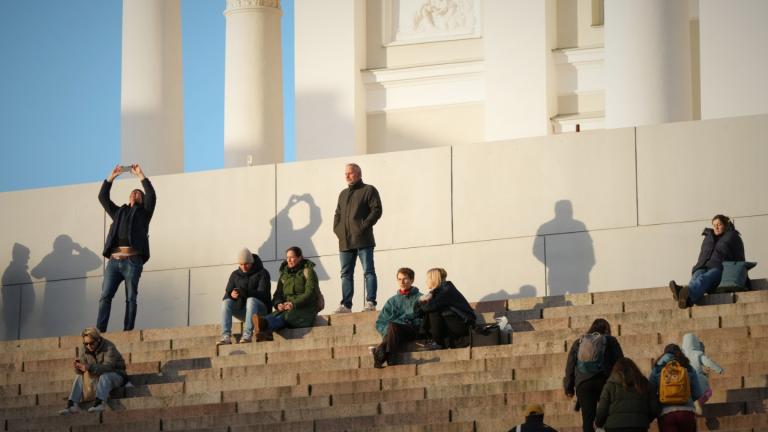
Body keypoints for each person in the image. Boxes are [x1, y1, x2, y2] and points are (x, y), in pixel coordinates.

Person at [96, 164, 157, 332]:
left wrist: (140, 175)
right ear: (129, 197)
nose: (136, 193)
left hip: (132, 261)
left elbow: (151, 195)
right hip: (114, 262)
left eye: (139, 193)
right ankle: (100, 330)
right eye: (134, 192)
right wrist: (112, 177)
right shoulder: (119, 212)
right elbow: (103, 198)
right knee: (105, 297)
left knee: (131, 298)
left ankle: (128, 331)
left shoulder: (144, 214)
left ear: (141, 200)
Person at [333, 163, 383, 313]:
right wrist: (338, 231)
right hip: (345, 242)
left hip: (363, 240)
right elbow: (338, 214)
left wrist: (363, 226)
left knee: (368, 271)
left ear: (359, 174)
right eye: (345, 174)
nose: (347, 176)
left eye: (350, 173)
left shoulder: (369, 190)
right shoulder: (342, 194)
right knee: (345, 274)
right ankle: (346, 305)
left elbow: (377, 210)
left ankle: (370, 302)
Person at [670, 214, 745, 309]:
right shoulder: (708, 237)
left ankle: (682, 293)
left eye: (719, 224)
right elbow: (702, 254)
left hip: (719, 268)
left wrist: (743, 276)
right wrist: (698, 266)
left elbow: (740, 257)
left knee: (703, 279)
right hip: (702, 266)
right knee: (696, 277)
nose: (716, 227)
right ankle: (686, 298)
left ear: (725, 225)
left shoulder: (733, 237)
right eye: (714, 225)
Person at [564, 318, 624, 432]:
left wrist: (569, 387)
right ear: (607, 329)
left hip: (583, 383)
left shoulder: (579, 342)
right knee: (608, 416)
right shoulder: (610, 340)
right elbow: (621, 362)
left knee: (587, 419)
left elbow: (570, 365)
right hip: (605, 381)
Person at [254, 246, 319, 339]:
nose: (289, 260)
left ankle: (264, 327)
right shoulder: (284, 274)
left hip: (305, 309)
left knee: (285, 317)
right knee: (275, 315)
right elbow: (278, 294)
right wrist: (278, 304)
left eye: (292, 257)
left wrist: (293, 304)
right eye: (287, 257)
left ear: (300, 257)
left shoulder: (308, 271)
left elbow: (310, 293)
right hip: (287, 307)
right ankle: (265, 330)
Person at [58, 328, 127, 415]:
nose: (88, 346)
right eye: (86, 343)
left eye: (91, 343)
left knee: (105, 376)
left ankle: (100, 403)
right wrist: (78, 367)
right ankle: (72, 404)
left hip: (117, 375)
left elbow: (109, 367)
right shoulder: (84, 348)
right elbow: (82, 370)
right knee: (79, 376)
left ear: (98, 340)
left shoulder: (109, 347)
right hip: (97, 375)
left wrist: (89, 367)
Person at [217, 248, 271, 345]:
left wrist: (246, 292)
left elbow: (263, 294)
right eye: (241, 264)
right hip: (244, 311)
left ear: (251, 262)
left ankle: (247, 335)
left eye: (246, 264)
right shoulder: (235, 275)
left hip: (260, 311)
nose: (244, 267)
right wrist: (231, 295)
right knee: (226, 302)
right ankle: (226, 336)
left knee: (251, 300)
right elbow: (226, 295)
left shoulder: (262, 273)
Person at [372, 267, 423, 368]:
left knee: (393, 326)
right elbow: (380, 322)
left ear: (412, 280)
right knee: (392, 326)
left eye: (405, 279)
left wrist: (406, 322)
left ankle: (380, 354)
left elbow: (423, 320)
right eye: (399, 279)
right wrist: (389, 331)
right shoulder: (392, 301)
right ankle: (390, 357)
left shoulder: (420, 298)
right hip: (393, 332)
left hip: (411, 330)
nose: (402, 282)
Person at [595, 357, 660, 432]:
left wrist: (598, 424)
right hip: (639, 427)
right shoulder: (645, 384)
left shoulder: (610, 385)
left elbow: (601, 411)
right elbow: (654, 409)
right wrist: (644, 419)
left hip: (614, 427)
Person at [648, 344, 703, 432]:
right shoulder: (688, 367)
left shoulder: (657, 369)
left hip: (666, 413)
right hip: (687, 412)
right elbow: (697, 393)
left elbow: (650, 391)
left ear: (664, 354)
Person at [417, 268, 475, 349]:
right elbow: (419, 312)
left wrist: (420, 301)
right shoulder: (439, 291)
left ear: (434, 279)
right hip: (453, 323)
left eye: (428, 278)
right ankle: (433, 340)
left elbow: (429, 307)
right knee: (432, 310)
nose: (426, 281)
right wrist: (421, 301)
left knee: (433, 310)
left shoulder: (446, 291)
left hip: (463, 324)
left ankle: (437, 342)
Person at [681, 332, 724, 414]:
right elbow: (709, 362)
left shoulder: (680, 355)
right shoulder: (698, 354)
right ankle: (698, 402)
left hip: (683, 381)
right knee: (708, 391)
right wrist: (719, 369)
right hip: (698, 380)